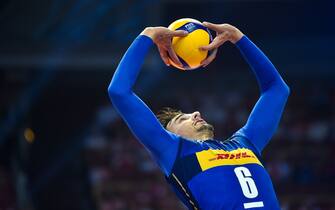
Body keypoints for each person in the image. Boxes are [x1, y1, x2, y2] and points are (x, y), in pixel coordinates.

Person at [108, 21, 290, 210]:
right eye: (181, 118)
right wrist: (149, 34)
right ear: (172, 134)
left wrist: (238, 38)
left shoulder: (244, 142)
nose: (194, 113)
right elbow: (119, 91)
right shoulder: (175, 151)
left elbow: (277, 90)